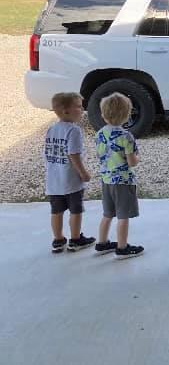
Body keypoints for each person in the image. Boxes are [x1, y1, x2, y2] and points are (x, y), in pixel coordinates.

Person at [94, 92, 144, 260]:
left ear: (103, 114)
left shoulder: (99, 133)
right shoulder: (126, 136)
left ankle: (102, 243)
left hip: (106, 179)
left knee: (107, 213)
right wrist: (137, 157)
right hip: (122, 181)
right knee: (123, 215)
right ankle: (122, 248)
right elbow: (131, 162)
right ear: (127, 115)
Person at [44, 92, 94, 253]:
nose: (82, 109)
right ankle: (75, 239)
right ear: (66, 111)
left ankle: (58, 240)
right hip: (71, 181)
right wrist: (83, 173)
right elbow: (73, 154)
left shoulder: (52, 129)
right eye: (78, 106)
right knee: (76, 211)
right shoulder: (74, 131)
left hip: (53, 181)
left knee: (56, 211)